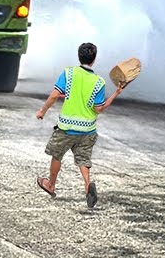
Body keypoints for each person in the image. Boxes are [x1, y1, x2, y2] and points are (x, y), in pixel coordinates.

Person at [35, 42, 125, 208]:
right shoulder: (99, 82)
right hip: (88, 130)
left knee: (57, 155)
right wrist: (117, 93)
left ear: (79, 56)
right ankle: (87, 186)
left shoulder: (68, 73)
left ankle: (50, 184)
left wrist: (42, 111)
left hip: (66, 127)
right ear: (94, 59)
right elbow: (98, 109)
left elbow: (55, 95)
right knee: (83, 159)